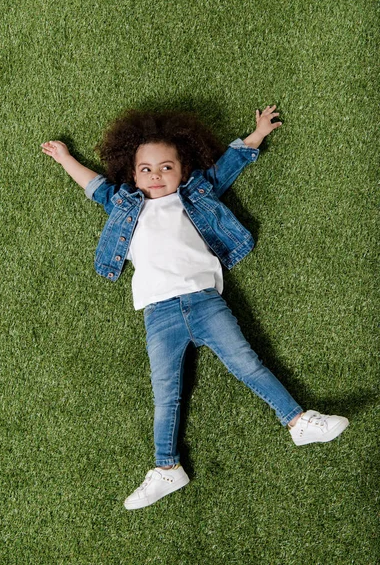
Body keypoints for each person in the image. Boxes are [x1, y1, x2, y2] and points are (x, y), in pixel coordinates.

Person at [41, 105, 349, 510]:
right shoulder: (122, 205)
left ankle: (298, 421)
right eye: (146, 170)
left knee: (247, 363)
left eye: (166, 168)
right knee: (165, 392)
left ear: (182, 171)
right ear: (133, 175)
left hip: (204, 301)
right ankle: (167, 467)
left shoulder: (195, 194)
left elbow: (227, 168)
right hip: (158, 313)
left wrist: (256, 135)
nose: (156, 176)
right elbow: (94, 184)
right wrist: (66, 158)